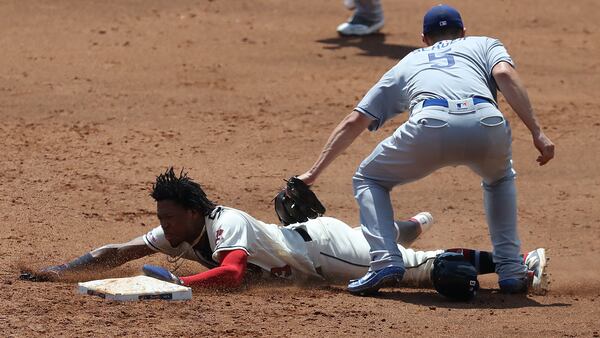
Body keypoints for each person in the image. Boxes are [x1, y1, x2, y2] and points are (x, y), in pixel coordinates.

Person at [298, 4, 555, 295]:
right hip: (487, 121)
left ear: (424, 38)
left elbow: (356, 119)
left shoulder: (409, 61)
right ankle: (510, 270)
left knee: (369, 178)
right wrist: (538, 132)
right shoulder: (483, 43)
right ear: (463, 33)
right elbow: (505, 76)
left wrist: (314, 172)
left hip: (430, 125)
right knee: (499, 179)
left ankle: (384, 261)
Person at [21, 168, 549, 298]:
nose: (160, 226)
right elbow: (120, 251)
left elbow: (229, 274)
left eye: (166, 217)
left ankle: (520, 263)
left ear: (190, 211)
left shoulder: (223, 222)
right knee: (388, 245)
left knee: (420, 270)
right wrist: (60, 272)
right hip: (309, 238)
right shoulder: (182, 230)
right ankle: (408, 225)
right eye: (159, 217)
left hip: (323, 253)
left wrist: (178, 288)